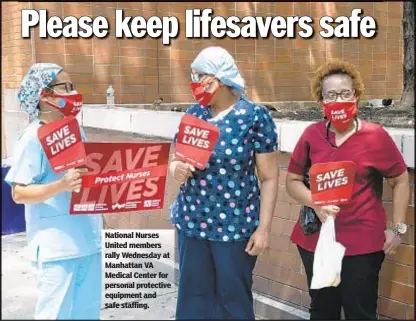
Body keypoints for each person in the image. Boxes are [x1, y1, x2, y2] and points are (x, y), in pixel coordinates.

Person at [285, 60, 410, 320]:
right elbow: (292, 180)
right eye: (331, 95)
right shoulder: (312, 135)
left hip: (363, 245)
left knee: (360, 312)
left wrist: (398, 228)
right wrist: (314, 201)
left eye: (345, 93)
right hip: (317, 242)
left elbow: (400, 180)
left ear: (356, 96)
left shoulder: (376, 136)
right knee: (322, 311)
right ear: (321, 101)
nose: (339, 100)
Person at [169, 46, 279, 319]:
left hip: (235, 228)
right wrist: (176, 168)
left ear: (219, 79)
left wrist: (263, 230)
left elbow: (269, 177)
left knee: (234, 301)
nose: (194, 83)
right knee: (193, 299)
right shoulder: (194, 114)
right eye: (192, 76)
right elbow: (176, 157)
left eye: (200, 76)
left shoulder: (255, 117)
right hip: (192, 224)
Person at [5, 63, 103, 320]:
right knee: (55, 314)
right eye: (66, 88)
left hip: (88, 241)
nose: (74, 93)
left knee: (88, 313)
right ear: (44, 95)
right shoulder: (32, 138)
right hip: (57, 248)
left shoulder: (75, 131)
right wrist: (60, 185)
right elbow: (19, 193)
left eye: (73, 86)